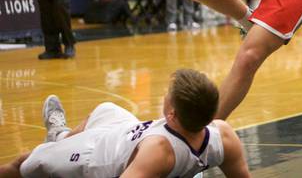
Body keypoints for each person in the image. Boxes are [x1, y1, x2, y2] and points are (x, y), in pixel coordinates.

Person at [0, 68, 250, 178]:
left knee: (27, 163)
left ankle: (58, 146)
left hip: (98, 154)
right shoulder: (224, 135)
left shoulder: (158, 152)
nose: (164, 95)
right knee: (106, 110)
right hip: (127, 131)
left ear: (172, 114)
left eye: (167, 94)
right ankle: (61, 136)